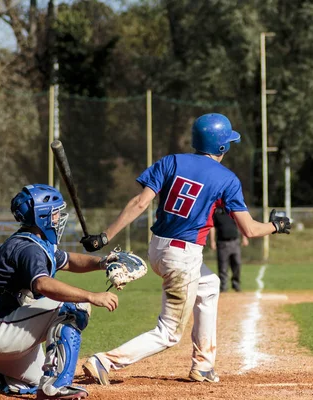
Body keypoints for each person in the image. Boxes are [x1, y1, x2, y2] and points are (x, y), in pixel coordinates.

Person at [79, 113, 291, 384]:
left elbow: (139, 203)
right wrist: (276, 225)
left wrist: (104, 236)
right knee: (168, 333)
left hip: (158, 250)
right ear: (221, 147)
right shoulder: (227, 179)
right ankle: (104, 361)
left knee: (210, 285)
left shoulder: (170, 161)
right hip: (183, 257)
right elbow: (249, 229)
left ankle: (203, 365)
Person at [0, 184, 120, 400]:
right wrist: (92, 295)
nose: (58, 218)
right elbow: (43, 285)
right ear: (42, 216)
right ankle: (57, 386)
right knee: (77, 306)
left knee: (36, 381)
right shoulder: (29, 249)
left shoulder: (31, 241)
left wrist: (103, 262)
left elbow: (70, 260)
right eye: (55, 213)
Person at [209, 206, 249, 293]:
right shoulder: (216, 214)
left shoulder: (232, 212)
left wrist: (244, 238)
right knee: (223, 267)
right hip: (222, 243)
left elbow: (240, 224)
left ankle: (236, 285)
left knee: (237, 264)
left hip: (235, 242)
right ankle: (223, 288)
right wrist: (212, 241)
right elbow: (212, 227)